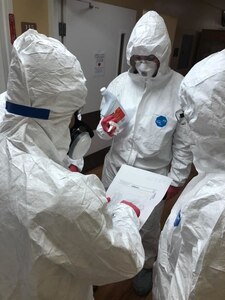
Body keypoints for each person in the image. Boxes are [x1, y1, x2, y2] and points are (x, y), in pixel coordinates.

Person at [0, 29, 145, 300]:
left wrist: (57, 165)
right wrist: (125, 214)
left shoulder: (12, 105)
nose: (74, 124)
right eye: (72, 115)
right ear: (57, 115)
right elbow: (123, 260)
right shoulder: (65, 196)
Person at [96, 11, 193, 296]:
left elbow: (184, 140)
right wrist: (105, 130)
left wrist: (177, 179)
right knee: (108, 215)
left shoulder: (179, 89)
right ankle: (107, 260)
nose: (143, 63)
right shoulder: (119, 84)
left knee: (148, 226)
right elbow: (103, 127)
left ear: (162, 55)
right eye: (138, 56)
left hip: (153, 174)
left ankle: (147, 265)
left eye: (150, 58)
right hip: (115, 167)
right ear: (130, 55)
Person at [153, 49, 225, 299]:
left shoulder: (217, 206)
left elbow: (193, 288)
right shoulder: (211, 175)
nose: (185, 123)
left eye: (191, 115)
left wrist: (176, 177)